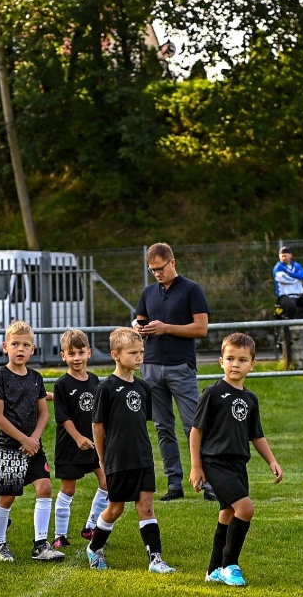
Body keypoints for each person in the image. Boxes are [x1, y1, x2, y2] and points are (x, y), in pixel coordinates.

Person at [189, 333, 283, 587]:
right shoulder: (213, 393)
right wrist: (196, 466)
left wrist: (272, 461)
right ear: (221, 361)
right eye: (230, 358)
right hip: (215, 463)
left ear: (252, 364)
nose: (235, 364)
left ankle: (213, 571)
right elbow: (196, 431)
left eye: (242, 360)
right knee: (245, 509)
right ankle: (230, 565)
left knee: (228, 513)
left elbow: (256, 435)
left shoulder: (251, 399)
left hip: (238, 465)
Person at [87, 326, 176, 573]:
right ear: (116, 355)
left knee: (146, 506)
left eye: (141, 352)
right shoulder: (105, 388)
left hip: (142, 457)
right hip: (118, 459)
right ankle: (95, 548)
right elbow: (98, 427)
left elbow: (139, 423)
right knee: (115, 509)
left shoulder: (143, 387)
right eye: (133, 352)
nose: (139, 357)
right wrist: (103, 460)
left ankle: (156, 559)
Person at [134, 242, 211, 501]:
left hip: (181, 366)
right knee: (163, 427)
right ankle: (174, 483)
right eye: (152, 269)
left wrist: (166, 328)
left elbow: (201, 328)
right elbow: (140, 320)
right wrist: (138, 327)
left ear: (172, 262)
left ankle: (207, 481)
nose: (157, 273)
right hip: (151, 366)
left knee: (193, 425)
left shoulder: (192, 290)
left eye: (160, 268)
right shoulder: (148, 293)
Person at [0, 321, 65, 562]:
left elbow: (43, 413)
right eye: (15, 344)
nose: (20, 349)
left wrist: (34, 440)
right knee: (7, 496)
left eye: (26, 345)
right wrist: (23, 439)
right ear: (5, 347)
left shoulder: (36, 378)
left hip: (34, 447)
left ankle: (41, 544)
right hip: (10, 447)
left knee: (44, 487)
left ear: (33, 349)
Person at [51, 328, 109, 551]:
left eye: (81, 352)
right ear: (63, 355)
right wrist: (77, 438)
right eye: (71, 353)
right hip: (70, 445)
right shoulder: (62, 384)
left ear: (89, 353)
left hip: (94, 444)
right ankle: (60, 535)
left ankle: (91, 526)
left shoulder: (95, 380)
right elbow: (62, 417)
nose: (77, 358)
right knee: (68, 489)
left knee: (106, 482)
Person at [272, 246, 303, 318]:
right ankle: (288, 324)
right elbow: (285, 279)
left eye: (285, 255)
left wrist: (291, 274)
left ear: (290, 255)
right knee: (291, 305)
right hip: (285, 296)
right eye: (282, 256)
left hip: (298, 295)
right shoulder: (278, 267)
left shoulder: (296, 265)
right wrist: (297, 277)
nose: (283, 258)